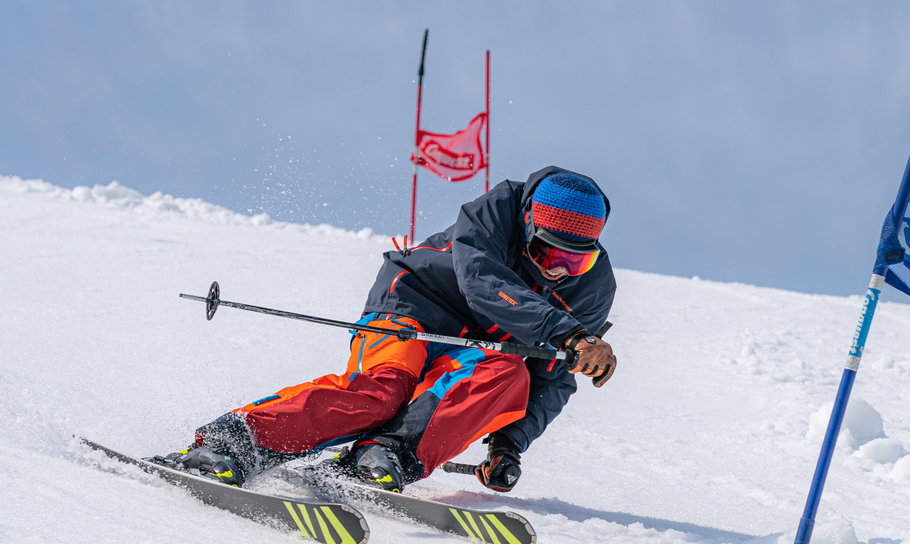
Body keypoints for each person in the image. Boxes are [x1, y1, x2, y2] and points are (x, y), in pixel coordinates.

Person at [156, 166, 617, 494]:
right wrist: (569, 334)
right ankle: (234, 442)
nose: (559, 271)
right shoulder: (495, 212)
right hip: (413, 306)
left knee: (511, 375)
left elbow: (554, 371)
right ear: (528, 224)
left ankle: (383, 454)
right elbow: (483, 283)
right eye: (548, 253)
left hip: (478, 350)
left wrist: (508, 446)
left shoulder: (592, 288)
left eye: (577, 260)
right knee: (385, 390)